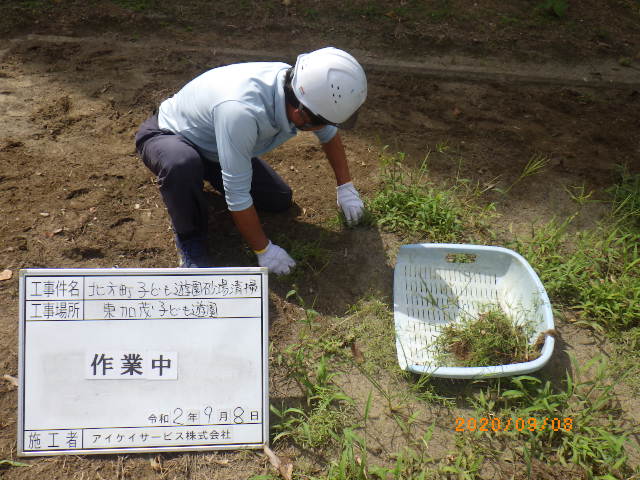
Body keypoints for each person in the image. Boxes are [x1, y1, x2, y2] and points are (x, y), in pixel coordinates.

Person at [135, 47, 367, 274]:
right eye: (325, 122)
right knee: (182, 165)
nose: (327, 128)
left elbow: (329, 134)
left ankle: (200, 176)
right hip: (169, 136)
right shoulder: (241, 112)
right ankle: (189, 238)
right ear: (301, 115)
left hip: (216, 144)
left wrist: (345, 187)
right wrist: (263, 249)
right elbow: (237, 195)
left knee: (278, 200)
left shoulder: (303, 89)